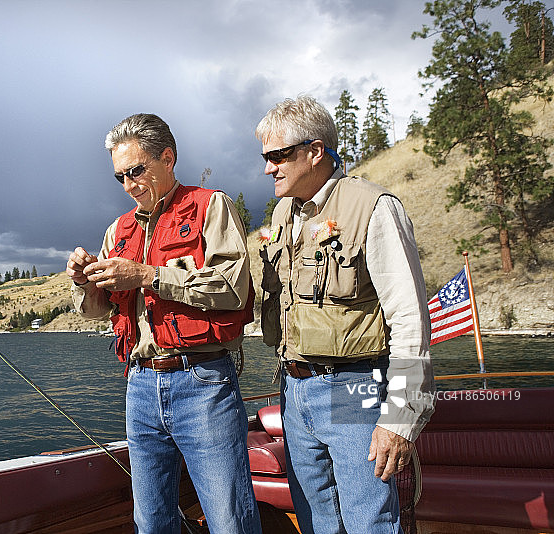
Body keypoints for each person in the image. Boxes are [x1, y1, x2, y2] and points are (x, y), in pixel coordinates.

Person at [66, 113, 262, 534]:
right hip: (140, 386)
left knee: (230, 519)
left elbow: (233, 288)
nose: (129, 185)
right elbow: (97, 310)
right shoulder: (116, 230)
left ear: (167, 158)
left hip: (204, 381)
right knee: (151, 520)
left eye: (136, 171)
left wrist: (147, 275)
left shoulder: (212, 206)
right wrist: (83, 282)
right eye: (119, 177)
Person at [255, 96, 435, 534]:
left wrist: (399, 419)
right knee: (315, 519)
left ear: (315, 151)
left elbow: (410, 319)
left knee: (367, 518)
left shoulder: (374, 207)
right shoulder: (282, 214)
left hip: (351, 385)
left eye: (278, 156)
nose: (268, 169)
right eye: (265, 158)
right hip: (293, 390)